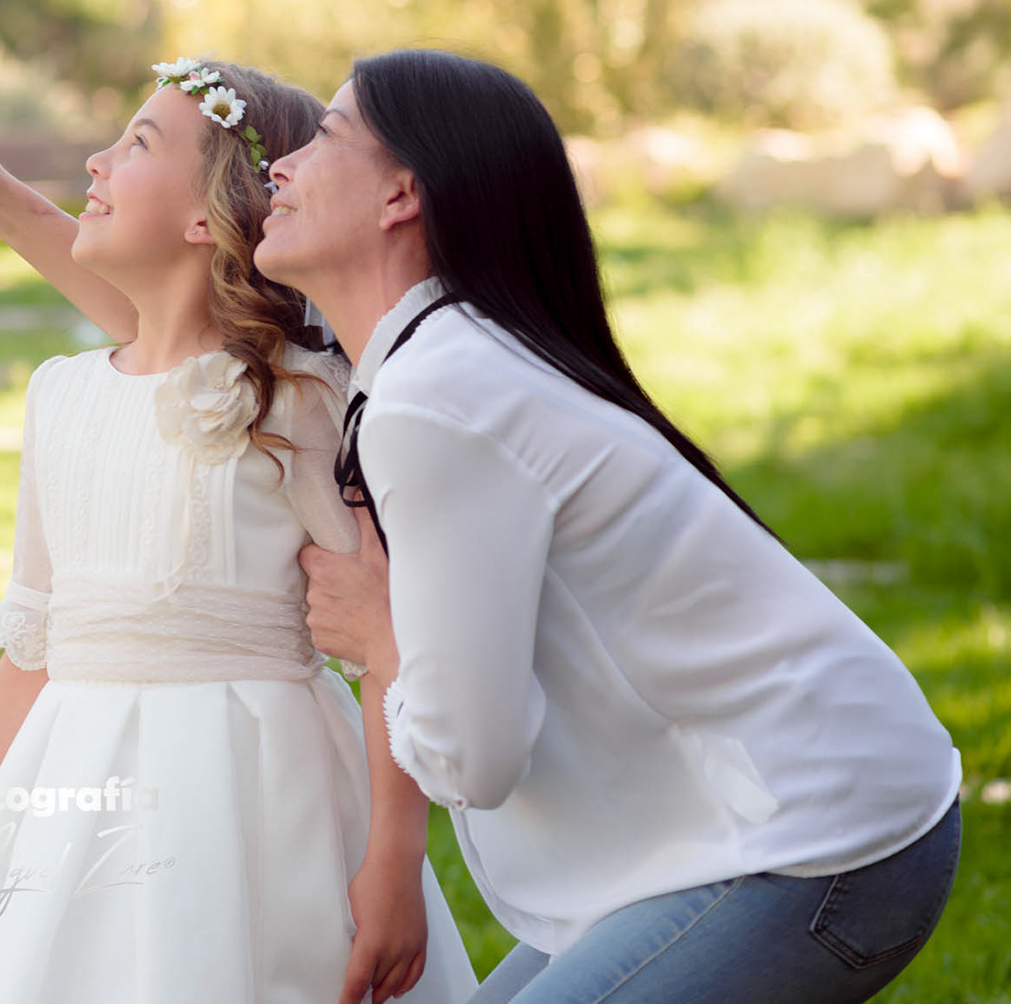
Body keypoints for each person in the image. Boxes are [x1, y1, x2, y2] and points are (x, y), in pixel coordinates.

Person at [259, 49, 963, 1004]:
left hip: (818, 841)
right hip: (735, 831)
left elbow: (477, 754)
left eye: (327, 137)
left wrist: (382, 636)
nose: (281, 165)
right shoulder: (441, 361)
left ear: (401, 197)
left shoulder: (441, 395)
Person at [0, 32, 478, 1004]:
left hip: (257, 797)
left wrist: (394, 863)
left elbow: (383, 647)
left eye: (140, 142)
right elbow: (29, 643)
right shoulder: (60, 393)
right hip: (71, 782)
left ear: (209, 218)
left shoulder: (301, 404)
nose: (98, 162)